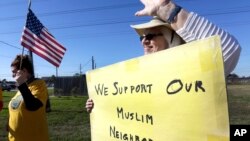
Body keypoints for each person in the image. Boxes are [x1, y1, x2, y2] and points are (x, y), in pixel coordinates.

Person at [85, 0, 241, 112]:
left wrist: (166, 10)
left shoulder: (191, 70)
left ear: (171, 39)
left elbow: (229, 51)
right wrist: (99, 106)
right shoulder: (139, 78)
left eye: (151, 36)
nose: (144, 41)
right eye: (142, 37)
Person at [7, 55, 49, 141]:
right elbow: (16, 109)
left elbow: (33, 106)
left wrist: (22, 84)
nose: (12, 75)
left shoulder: (39, 84)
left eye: (14, 72)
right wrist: (8, 123)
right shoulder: (23, 87)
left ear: (24, 71)